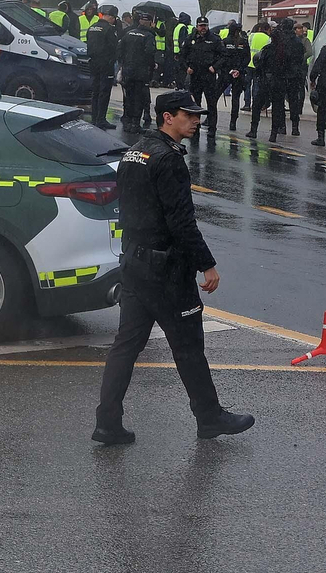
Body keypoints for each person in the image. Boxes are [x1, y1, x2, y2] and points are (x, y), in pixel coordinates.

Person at [93, 91, 256, 445]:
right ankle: (209, 417)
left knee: (126, 344)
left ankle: (107, 422)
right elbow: (181, 221)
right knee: (187, 346)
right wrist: (206, 264)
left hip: (135, 262)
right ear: (168, 117)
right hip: (166, 269)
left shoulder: (135, 151)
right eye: (189, 114)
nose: (197, 120)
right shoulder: (168, 160)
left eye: (198, 114)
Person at [180, 17, 223, 134]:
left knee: (211, 103)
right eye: (201, 25)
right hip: (195, 75)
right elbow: (182, 55)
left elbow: (224, 56)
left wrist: (215, 67)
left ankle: (212, 128)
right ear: (197, 26)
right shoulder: (191, 39)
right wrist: (186, 68)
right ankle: (196, 127)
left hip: (209, 76)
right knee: (195, 104)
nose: (203, 28)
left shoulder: (214, 39)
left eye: (205, 25)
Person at [119, 12, 158, 135]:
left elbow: (119, 50)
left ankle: (128, 122)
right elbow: (150, 53)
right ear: (151, 23)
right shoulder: (149, 36)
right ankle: (135, 123)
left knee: (129, 96)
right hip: (140, 71)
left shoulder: (129, 33)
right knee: (139, 98)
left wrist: (124, 64)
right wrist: (151, 67)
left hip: (128, 70)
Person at [84, 4, 119, 129]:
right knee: (104, 91)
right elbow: (114, 47)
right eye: (114, 17)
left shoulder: (92, 27)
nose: (114, 20)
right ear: (110, 17)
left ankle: (94, 118)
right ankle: (101, 119)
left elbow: (88, 42)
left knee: (95, 90)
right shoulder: (109, 29)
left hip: (93, 62)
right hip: (106, 63)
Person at [218, 20, 252, 133]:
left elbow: (222, 57)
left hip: (226, 73)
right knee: (236, 99)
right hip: (239, 74)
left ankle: (210, 118)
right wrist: (239, 69)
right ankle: (233, 122)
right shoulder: (244, 42)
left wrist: (230, 70)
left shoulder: (225, 41)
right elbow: (247, 58)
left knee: (214, 96)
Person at [245, 20, 271, 113]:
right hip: (259, 65)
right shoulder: (268, 39)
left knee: (247, 85)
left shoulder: (251, 36)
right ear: (267, 29)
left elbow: (246, 47)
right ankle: (255, 104)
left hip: (249, 63)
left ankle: (246, 104)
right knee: (256, 85)